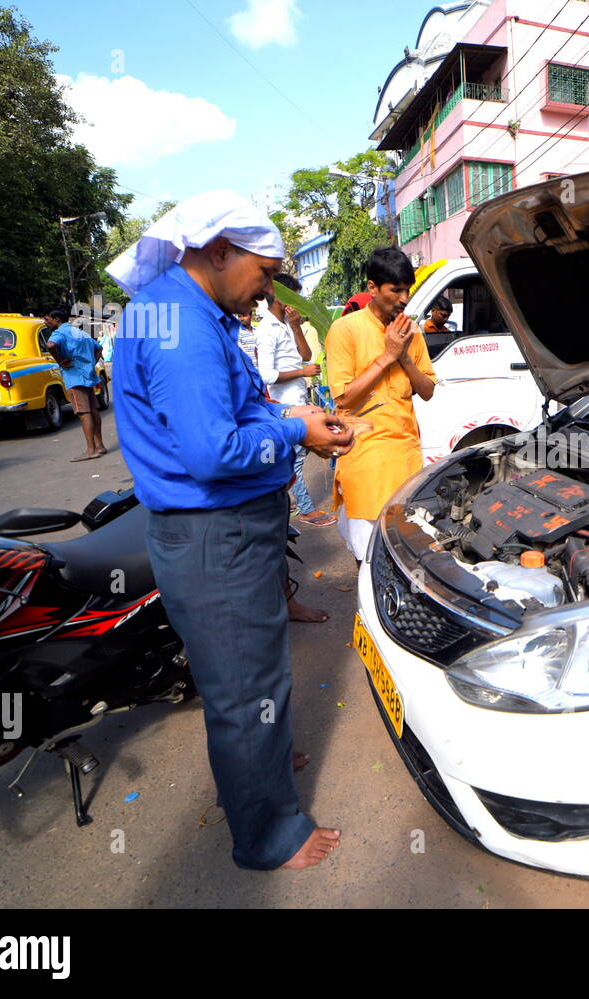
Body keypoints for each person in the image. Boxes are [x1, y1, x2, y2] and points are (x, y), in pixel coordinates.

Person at [106, 191, 364, 871]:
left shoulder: (191, 311)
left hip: (221, 534)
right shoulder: (181, 327)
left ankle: (263, 764)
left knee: (255, 682)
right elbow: (213, 451)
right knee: (246, 689)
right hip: (215, 535)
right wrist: (295, 429)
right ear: (219, 250)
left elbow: (240, 409)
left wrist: (295, 416)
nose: (271, 286)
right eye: (268, 269)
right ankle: (268, 835)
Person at [325, 247, 436, 561]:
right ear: (372, 288)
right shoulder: (345, 330)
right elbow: (344, 397)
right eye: (396, 290)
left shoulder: (410, 332)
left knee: (405, 552)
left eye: (407, 290)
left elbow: (426, 390)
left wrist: (403, 357)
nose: (404, 298)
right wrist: (387, 357)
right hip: (365, 458)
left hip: (405, 455)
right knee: (368, 556)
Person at [254, 273, 336, 528]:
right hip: (285, 404)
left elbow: (306, 354)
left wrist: (297, 326)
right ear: (280, 296)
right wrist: (303, 372)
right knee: (295, 459)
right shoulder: (267, 329)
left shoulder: (288, 324)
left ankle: (288, 502)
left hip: (299, 398)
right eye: (294, 296)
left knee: (293, 457)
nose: (298, 301)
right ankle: (307, 510)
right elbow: (266, 375)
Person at [43, 308, 107, 460]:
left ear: (57, 319)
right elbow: (99, 348)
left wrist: (60, 361)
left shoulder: (59, 333)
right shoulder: (79, 332)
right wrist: (91, 364)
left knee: (84, 413)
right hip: (88, 375)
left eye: (48, 319)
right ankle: (100, 445)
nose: (46, 322)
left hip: (74, 377)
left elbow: (50, 345)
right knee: (93, 410)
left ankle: (91, 449)